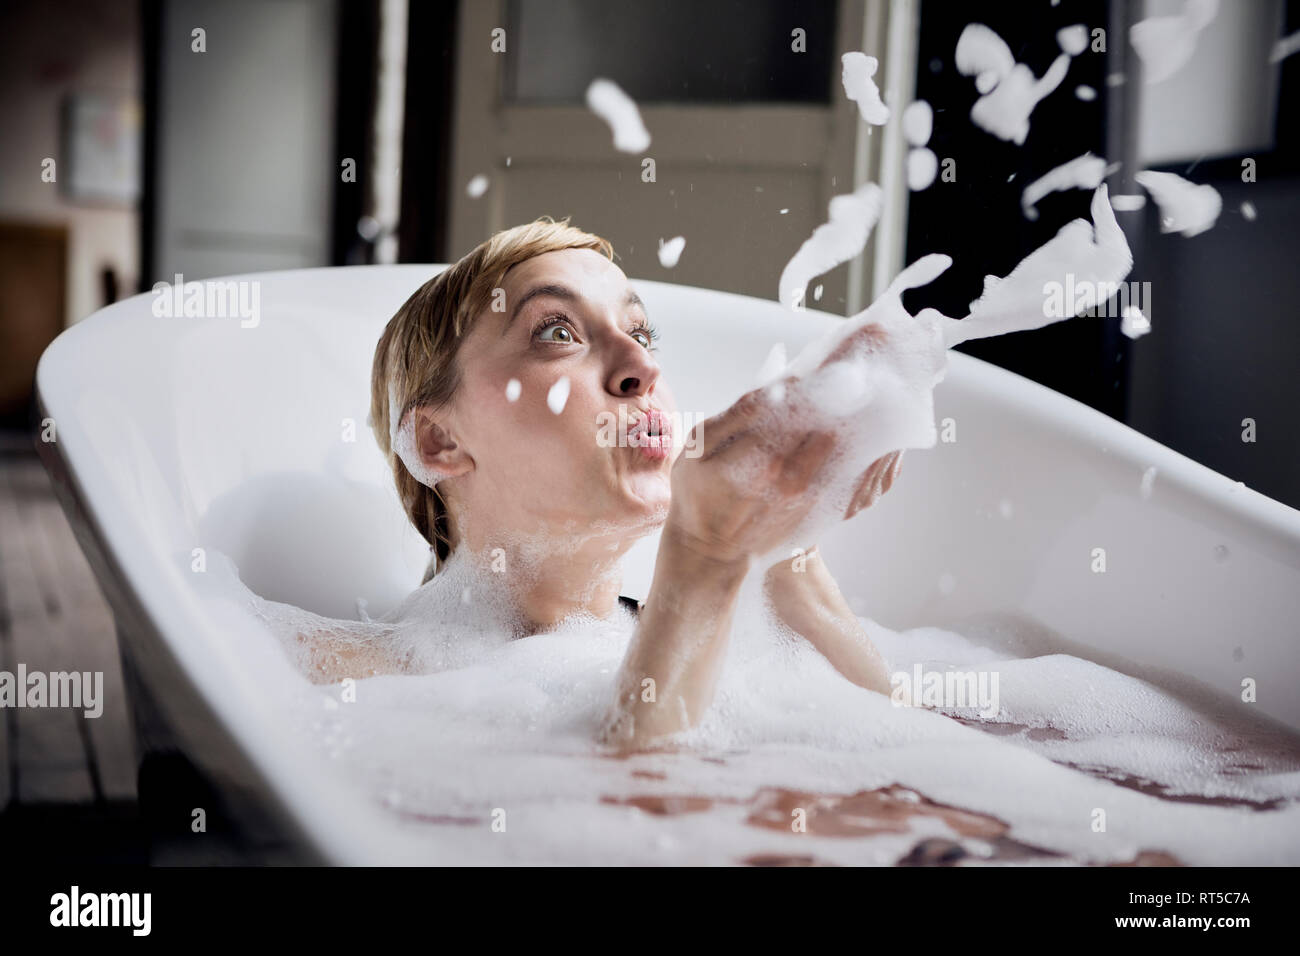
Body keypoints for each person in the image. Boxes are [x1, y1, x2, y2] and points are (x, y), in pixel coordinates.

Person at [300, 216, 902, 752]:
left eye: (640, 334)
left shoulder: (752, 652)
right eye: (557, 332)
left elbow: (921, 753)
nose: (643, 367)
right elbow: (621, 828)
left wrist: (790, 563)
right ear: (440, 442)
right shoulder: (338, 676)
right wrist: (705, 557)